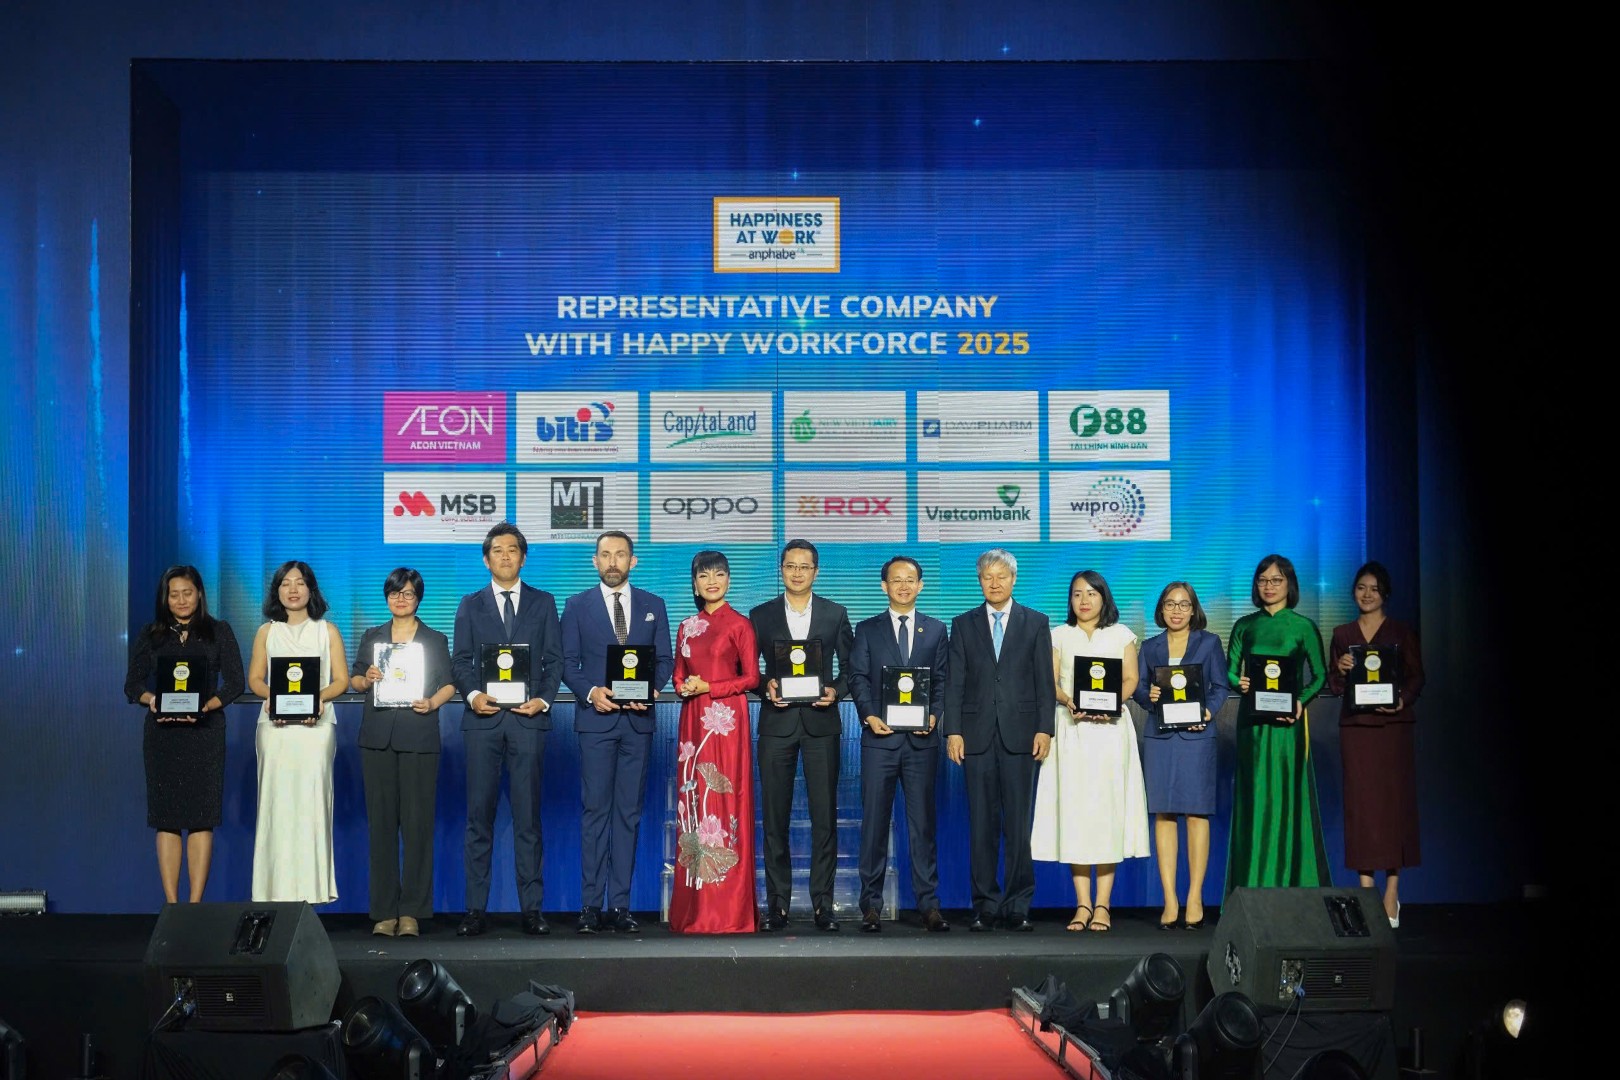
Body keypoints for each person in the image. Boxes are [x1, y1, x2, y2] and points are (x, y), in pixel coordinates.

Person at [451, 522, 563, 936]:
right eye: (497, 550)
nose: (504, 556)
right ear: (486, 559)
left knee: (528, 819)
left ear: (523, 557)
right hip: (482, 723)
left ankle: (532, 910)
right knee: (478, 819)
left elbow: (555, 660)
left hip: (528, 722)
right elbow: (460, 661)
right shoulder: (469, 604)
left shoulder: (543, 602)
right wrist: (472, 695)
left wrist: (544, 700)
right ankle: (474, 910)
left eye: (512, 550)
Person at [560, 530, 674, 935]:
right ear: (595, 561)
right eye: (605, 555)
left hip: (637, 724)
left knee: (628, 813)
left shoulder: (653, 605)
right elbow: (567, 663)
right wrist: (592, 692)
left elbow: (665, 660)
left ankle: (620, 905)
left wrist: (652, 689)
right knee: (595, 813)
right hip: (596, 721)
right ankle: (590, 906)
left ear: (632, 561)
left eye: (620, 554)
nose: (612, 562)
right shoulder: (577, 605)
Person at [944, 548, 1055, 932]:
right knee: (982, 826)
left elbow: (1044, 682)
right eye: (987, 577)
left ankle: (1018, 905)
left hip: (1022, 736)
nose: (994, 583)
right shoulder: (962, 624)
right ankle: (985, 905)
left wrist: (1045, 728)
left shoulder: (1036, 622)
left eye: (1001, 576)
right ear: (979, 581)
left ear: (1014, 579)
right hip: (975, 737)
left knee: (1019, 826)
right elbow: (954, 682)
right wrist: (953, 730)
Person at [1032, 569, 1148, 934]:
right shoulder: (1058, 635)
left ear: (1104, 597)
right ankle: (1082, 904)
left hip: (1111, 733)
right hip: (1072, 729)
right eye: (1077, 594)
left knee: (1107, 814)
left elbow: (1131, 679)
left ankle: (1103, 905)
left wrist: (1111, 705)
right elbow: (1050, 681)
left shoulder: (1121, 634)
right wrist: (1068, 700)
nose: (1084, 600)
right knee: (1077, 815)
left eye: (1091, 593)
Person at [123, 565, 245, 904]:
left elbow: (236, 683)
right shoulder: (151, 634)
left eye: (187, 593)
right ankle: (172, 906)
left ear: (199, 594)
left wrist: (207, 706)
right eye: (174, 594)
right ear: (165, 598)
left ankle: (194, 906)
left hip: (205, 735)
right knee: (167, 820)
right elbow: (132, 685)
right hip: (163, 736)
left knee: (201, 820)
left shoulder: (219, 631)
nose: (181, 600)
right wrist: (152, 700)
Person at [749, 539, 854, 932]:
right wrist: (765, 687)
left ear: (816, 571)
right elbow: (748, 669)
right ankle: (777, 906)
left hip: (821, 725)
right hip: (776, 726)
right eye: (790, 566)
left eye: (804, 566)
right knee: (774, 819)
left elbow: (853, 667)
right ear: (781, 569)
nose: (797, 573)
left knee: (824, 818)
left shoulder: (835, 613)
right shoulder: (760, 615)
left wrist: (836, 691)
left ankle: (823, 906)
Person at [348, 567, 456, 938]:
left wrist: (432, 702)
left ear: (418, 598)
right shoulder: (372, 636)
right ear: (387, 597)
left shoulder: (435, 639)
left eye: (408, 593)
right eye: (395, 593)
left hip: (419, 738)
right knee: (381, 828)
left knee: (417, 827)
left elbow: (449, 684)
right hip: (377, 738)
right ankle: (383, 911)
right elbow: (355, 679)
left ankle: (411, 911)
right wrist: (367, 679)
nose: (401, 599)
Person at [847, 555, 951, 933]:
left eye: (910, 579)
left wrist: (934, 715)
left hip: (922, 743)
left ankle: (929, 905)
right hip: (880, 741)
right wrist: (868, 715)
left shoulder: (936, 630)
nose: (904, 585)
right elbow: (857, 677)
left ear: (920, 585)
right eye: (896, 579)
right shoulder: (867, 629)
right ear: (884, 586)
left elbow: (942, 680)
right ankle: (871, 906)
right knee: (874, 824)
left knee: (923, 826)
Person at [1225, 553, 1332, 892]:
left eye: (1276, 580)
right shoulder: (1245, 625)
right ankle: (1251, 888)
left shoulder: (1303, 626)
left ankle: (1291, 886)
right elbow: (1230, 671)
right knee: (1254, 799)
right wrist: (1239, 682)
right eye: (1263, 580)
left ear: (1289, 584)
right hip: (1252, 727)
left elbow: (1320, 675)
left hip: (1288, 726)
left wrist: (1300, 701)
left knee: (1288, 797)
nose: (1268, 586)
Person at [1327, 560, 1424, 929]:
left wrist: (1401, 700)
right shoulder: (1342, 634)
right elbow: (1335, 685)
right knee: (1362, 808)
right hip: (1357, 729)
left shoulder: (1401, 632)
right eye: (1361, 588)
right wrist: (1341, 668)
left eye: (1374, 589)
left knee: (1393, 807)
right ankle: (1367, 891)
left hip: (1392, 728)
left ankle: (1391, 890)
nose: (1366, 595)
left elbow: (1417, 677)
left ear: (1385, 594)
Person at [246, 560, 348, 904]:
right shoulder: (266, 632)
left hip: (316, 730)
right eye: (285, 583)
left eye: (300, 582)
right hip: (274, 730)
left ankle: (312, 891)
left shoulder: (327, 631)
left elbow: (342, 681)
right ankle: (271, 892)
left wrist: (316, 700)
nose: (293, 589)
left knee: (311, 806)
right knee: (275, 807)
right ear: (276, 590)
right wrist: (276, 700)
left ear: (311, 589)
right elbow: (255, 679)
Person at [670, 549, 760, 934]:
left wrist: (711, 687)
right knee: (694, 802)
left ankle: (728, 910)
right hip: (693, 720)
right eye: (704, 576)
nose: (712, 581)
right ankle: (695, 908)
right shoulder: (686, 626)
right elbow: (677, 674)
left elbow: (752, 678)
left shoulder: (740, 625)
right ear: (694, 584)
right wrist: (684, 686)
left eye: (719, 574)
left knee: (725, 801)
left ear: (728, 580)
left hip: (726, 721)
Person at [1132, 581, 1230, 931]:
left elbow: (1221, 687)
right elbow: (1138, 688)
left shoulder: (1209, 643)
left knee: (1196, 814)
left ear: (1193, 609)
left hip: (1197, 737)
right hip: (1160, 738)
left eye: (1183, 604)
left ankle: (1195, 897)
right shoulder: (1149, 646)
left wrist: (1208, 711)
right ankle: (1170, 899)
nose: (1177, 610)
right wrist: (1148, 696)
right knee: (1164, 814)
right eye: (1170, 604)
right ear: (1161, 609)